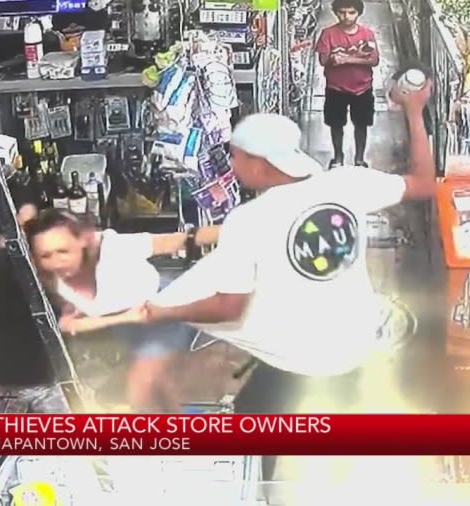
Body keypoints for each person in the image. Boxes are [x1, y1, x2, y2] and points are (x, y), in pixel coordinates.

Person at [143, 82, 434, 476]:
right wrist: (414, 110)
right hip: (355, 348)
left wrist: (163, 311)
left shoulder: (248, 221)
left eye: (236, 157)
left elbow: (229, 306)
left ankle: (261, 486)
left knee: (253, 439)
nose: (231, 165)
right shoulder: (346, 183)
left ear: (261, 165)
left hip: (297, 361)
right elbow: (422, 182)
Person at [17, 206, 219, 412]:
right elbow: (68, 324)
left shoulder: (113, 247)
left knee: (140, 389)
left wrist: (234, 232)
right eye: (46, 255)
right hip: (129, 322)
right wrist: (124, 318)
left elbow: (174, 240)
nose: (57, 262)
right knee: (160, 387)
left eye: (63, 251)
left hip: (160, 309)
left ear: (81, 241)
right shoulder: (52, 278)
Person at [315, 0, 379, 168]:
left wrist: (345, 59)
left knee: (362, 125)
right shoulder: (327, 34)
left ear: (358, 13)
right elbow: (323, 60)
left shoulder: (367, 34)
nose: (347, 17)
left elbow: (374, 59)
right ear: (336, 12)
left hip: (363, 88)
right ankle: (338, 157)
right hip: (336, 88)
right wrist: (342, 59)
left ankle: (359, 158)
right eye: (342, 12)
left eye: (351, 12)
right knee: (336, 124)